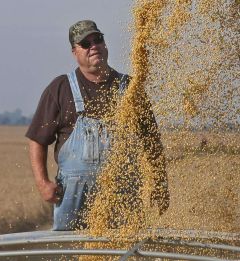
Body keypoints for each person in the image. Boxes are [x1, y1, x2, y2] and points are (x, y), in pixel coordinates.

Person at [26, 20, 169, 230]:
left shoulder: (130, 89)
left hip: (123, 192)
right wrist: (43, 183)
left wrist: (159, 182)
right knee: (72, 252)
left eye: (98, 40)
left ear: (105, 44)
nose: (94, 46)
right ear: (75, 52)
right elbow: (37, 140)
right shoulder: (61, 88)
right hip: (74, 196)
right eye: (85, 43)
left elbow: (151, 141)